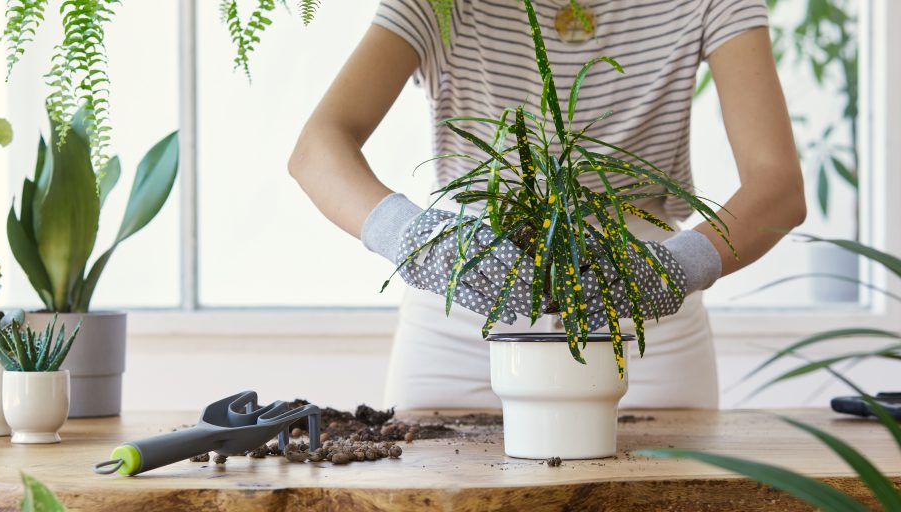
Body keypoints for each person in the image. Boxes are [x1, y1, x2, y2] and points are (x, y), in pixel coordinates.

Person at [288, 0, 806, 410]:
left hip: (643, 316)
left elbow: (777, 186)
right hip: (466, 305)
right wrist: (422, 240)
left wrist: (673, 267)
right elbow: (318, 149)